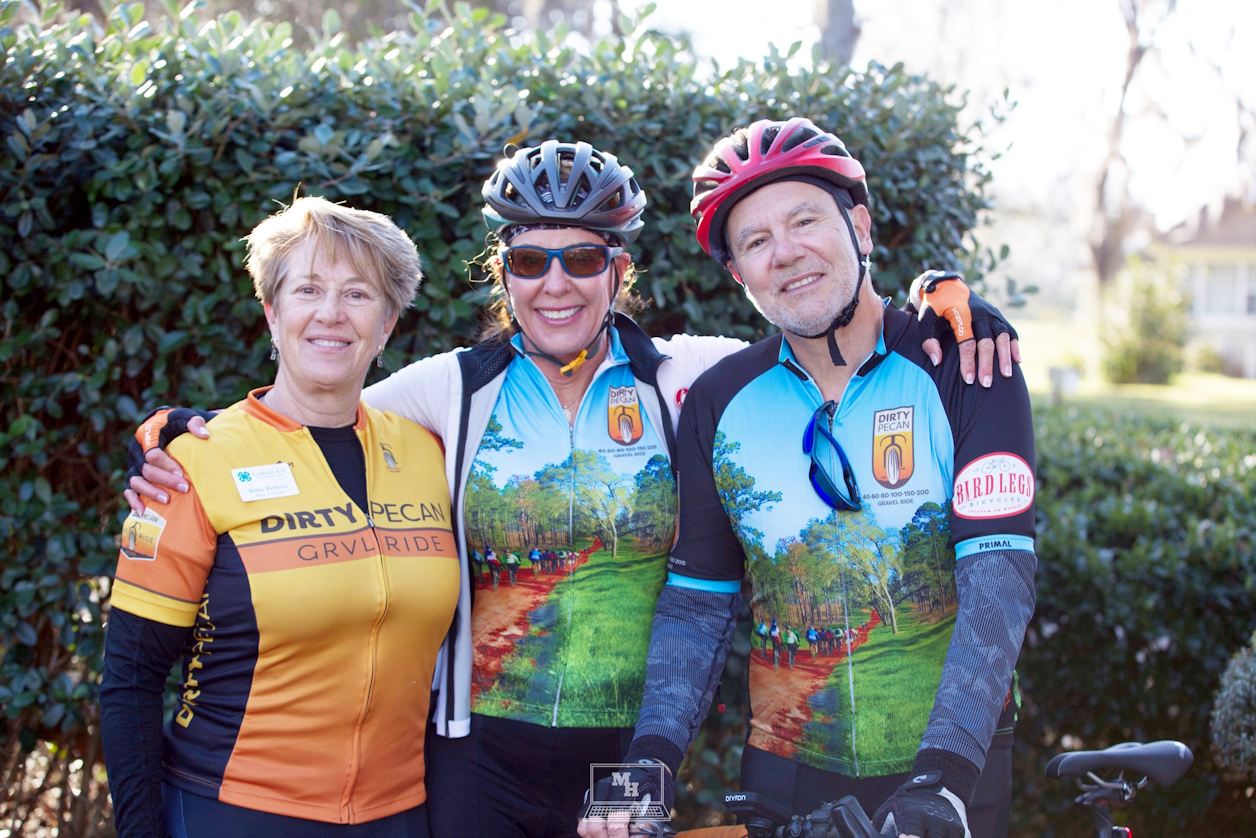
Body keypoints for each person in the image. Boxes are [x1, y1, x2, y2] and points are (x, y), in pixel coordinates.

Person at [125, 140, 1019, 838]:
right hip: (476, 759)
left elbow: (811, 331)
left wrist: (946, 307)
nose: (556, 284)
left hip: (623, 760)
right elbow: (317, 400)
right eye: (531, 262)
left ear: (618, 272)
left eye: (583, 260)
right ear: (503, 272)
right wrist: (187, 429)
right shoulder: (449, 389)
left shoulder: (687, 378)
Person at [579, 117, 1036, 838]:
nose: (785, 253)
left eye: (804, 221)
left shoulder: (966, 363)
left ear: (859, 226)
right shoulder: (720, 401)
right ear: (737, 274)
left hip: (950, 776)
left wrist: (944, 781)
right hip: (785, 777)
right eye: (755, 242)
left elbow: (998, 578)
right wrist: (648, 765)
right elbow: (698, 606)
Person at [99, 198, 456, 838]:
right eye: (308, 289)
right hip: (230, 810)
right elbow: (130, 678)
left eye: (358, 294)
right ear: (272, 312)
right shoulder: (193, 462)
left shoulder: (431, 453)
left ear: (388, 324)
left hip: (398, 814)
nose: (330, 313)